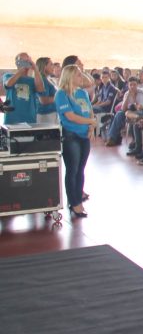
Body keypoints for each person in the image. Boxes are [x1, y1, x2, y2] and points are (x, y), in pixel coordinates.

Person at [55, 65, 97, 218]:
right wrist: (90, 121)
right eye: (78, 75)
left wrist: (91, 126)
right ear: (70, 77)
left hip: (84, 135)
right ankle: (74, 202)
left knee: (81, 170)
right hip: (71, 135)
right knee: (72, 170)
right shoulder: (61, 94)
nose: (82, 77)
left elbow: (89, 109)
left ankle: (78, 198)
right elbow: (70, 116)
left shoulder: (83, 93)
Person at [3, 52, 45, 124]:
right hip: (12, 119)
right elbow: (8, 84)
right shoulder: (8, 76)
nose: (25, 63)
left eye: (27, 61)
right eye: (22, 61)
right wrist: (21, 71)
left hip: (29, 119)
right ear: (17, 63)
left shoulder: (32, 80)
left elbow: (41, 89)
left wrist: (35, 69)